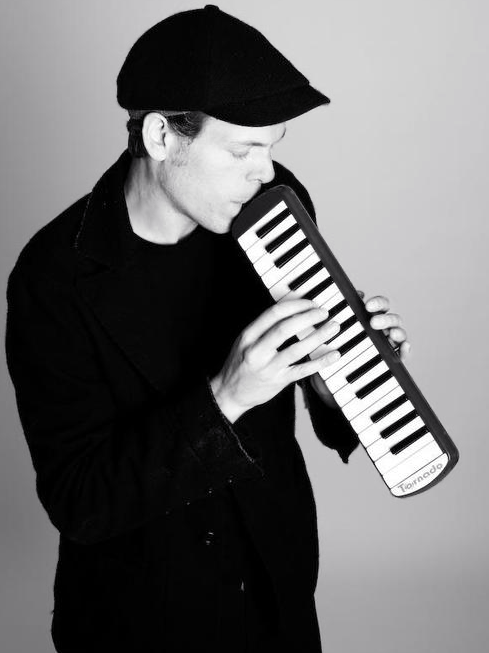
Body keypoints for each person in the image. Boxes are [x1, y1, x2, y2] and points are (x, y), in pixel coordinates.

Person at [5, 5, 410, 652]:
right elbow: (80, 500)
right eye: (243, 150)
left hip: (274, 590)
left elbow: (315, 390)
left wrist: (339, 379)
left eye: (273, 147)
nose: (266, 173)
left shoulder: (273, 210)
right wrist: (227, 396)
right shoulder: (52, 276)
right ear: (162, 136)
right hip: (141, 616)